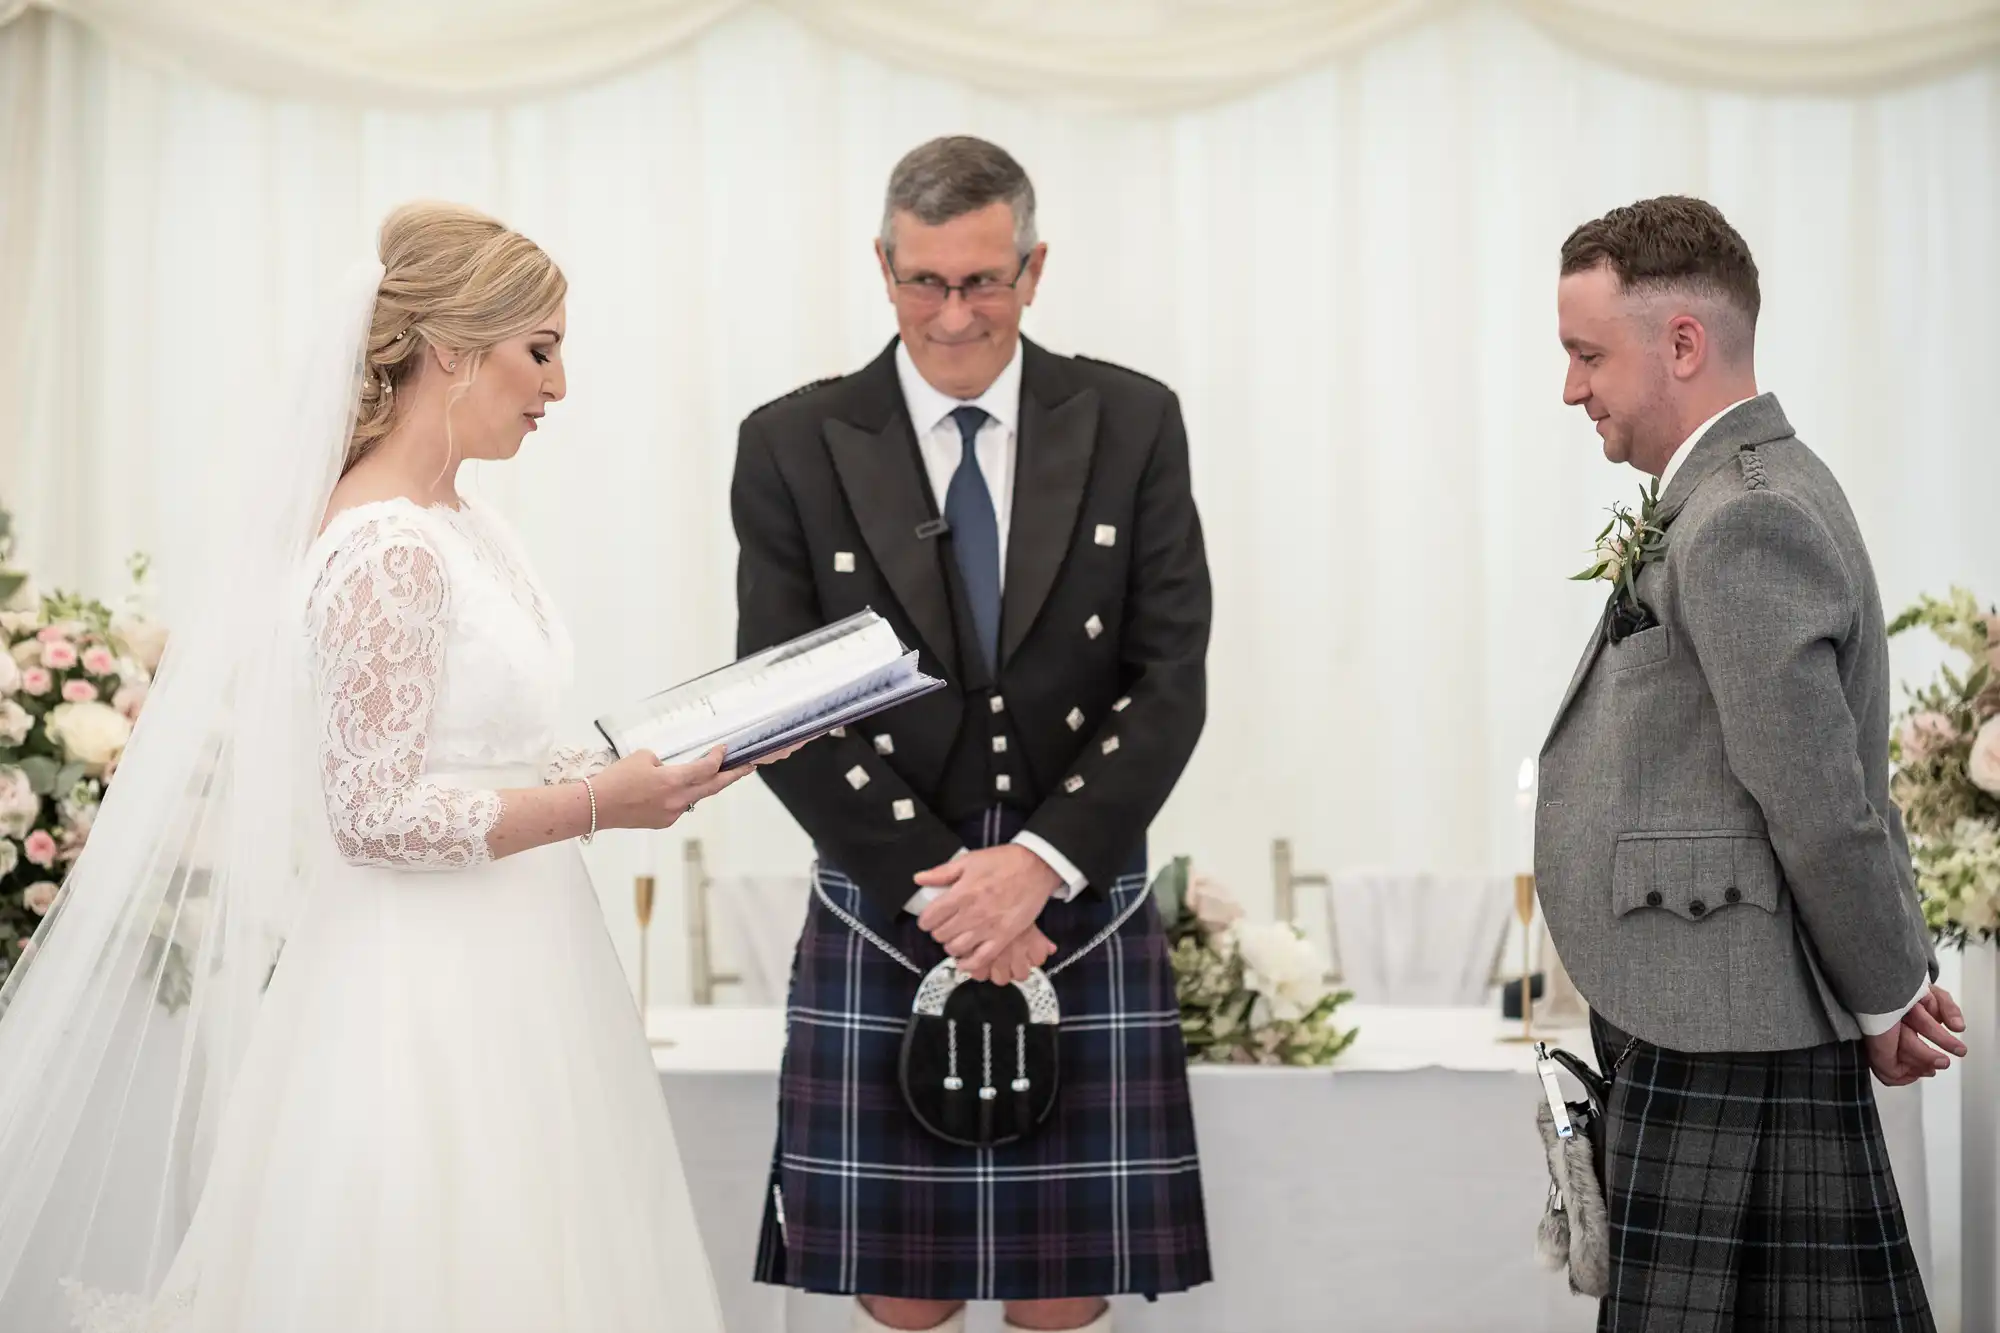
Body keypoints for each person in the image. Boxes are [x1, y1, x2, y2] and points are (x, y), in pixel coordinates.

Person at [0, 202, 772, 1332]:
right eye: (541, 350)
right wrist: (602, 801)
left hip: (527, 952)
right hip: (422, 982)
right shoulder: (386, 546)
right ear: (452, 348)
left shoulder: (462, 522)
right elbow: (370, 812)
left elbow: (481, 750)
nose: (558, 387)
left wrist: (638, 757)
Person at [731, 136, 1213, 1333]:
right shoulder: (792, 442)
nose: (952, 316)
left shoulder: (1131, 419)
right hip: (892, 888)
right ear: (882, 268)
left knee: (1063, 1289)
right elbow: (779, 698)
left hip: (1073, 881)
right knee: (903, 1290)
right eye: (923, 282)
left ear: (1034, 268)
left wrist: (1037, 867)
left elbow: (1169, 675)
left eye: (982, 281)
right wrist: (945, 892)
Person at [1539, 194, 1966, 1331]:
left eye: (1586, 355)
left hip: (1727, 1022)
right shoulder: (1733, 490)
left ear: (1680, 343)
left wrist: (1883, 987)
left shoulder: (1741, 516)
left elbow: (1820, 800)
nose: (1570, 388)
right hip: (1715, 1008)